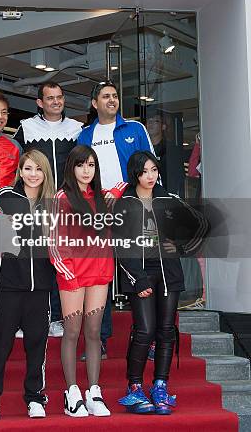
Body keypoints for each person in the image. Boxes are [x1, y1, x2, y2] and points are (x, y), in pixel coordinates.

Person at [116, 151, 208, 415]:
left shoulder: (169, 199)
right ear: (135, 173)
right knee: (145, 330)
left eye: (154, 170)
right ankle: (134, 387)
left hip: (169, 271)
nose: (150, 176)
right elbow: (120, 247)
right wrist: (138, 279)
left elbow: (200, 224)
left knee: (166, 330)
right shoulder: (125, 203)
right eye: (145, 171)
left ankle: (160, 385)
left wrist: (180, 246)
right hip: (139, 272)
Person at [78, 81, 153, 358]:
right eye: (105, 96)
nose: (112, 100)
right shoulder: (85, 135)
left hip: (130, 206)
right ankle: (100, 339)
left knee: (138, 267)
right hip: (97, 209)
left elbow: (149, 169)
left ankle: (148, 334)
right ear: (94, 103)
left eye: (115, 96)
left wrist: (126, 190)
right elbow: (78, 174)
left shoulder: (135, 129)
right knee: (99, 275)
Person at [50, 145, 124, 417]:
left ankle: (94, 391)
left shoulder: (102, 197)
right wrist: (65, 268)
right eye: (81, 165)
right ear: (72, 167)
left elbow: (126, 185)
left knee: (94, 334)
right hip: (72, 274)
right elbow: (55, 238)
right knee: (72, 332)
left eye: (91, 165)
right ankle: (72, 393)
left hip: (99, 274)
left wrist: (116, 192)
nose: (86, 170)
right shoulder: (62, 197)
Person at [0, 149, 55, 420]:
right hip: (8, 286)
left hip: (42, 288)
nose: (33, 174)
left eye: (38, 169)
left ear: (45, 171)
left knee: (37, 344)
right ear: (20, 171)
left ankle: (35, 398)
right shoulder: (4, 198)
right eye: (28, 168)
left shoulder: (53, 203)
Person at [14, 82, 82, 337]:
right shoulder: (26, 127)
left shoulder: (77, 129)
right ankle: (24, 319)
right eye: (50, 98)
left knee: (58, 261)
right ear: (40, 103)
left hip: (65, 205)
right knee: (31, 259)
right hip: (36, 201)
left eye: (60, 97)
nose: (56, 101)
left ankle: (55, 318)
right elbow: (14, 158)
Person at [146, 108, 185, 196]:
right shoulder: (143, 147)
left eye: (156, 121)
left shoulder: (171, 149)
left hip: (167, 193)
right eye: (149, 121)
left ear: (163, 126)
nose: (151, 123)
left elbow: (179, 175)